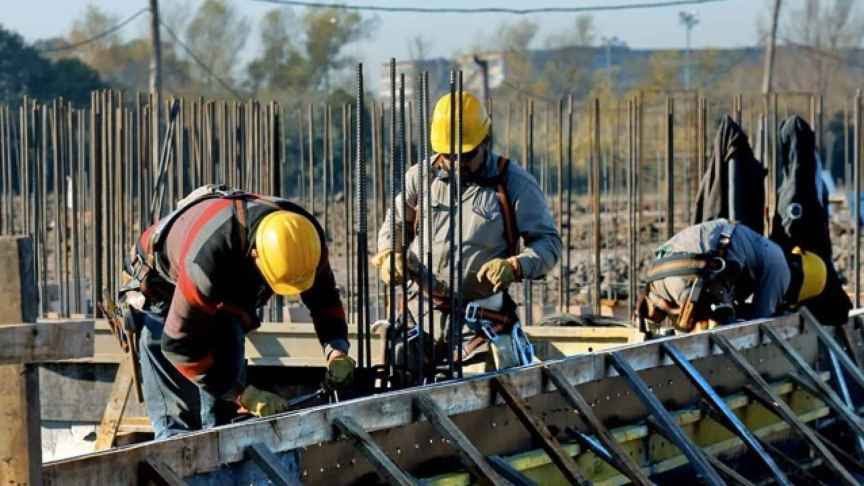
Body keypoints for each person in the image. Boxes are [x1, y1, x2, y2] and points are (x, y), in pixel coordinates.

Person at [123, 185, 354, 439]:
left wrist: (336, 351)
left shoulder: (304, 240)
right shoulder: (206, 261)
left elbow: (324, 300)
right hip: (161, 285)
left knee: (224, 418)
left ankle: (224, 444)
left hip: (224, 280)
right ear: (256, 255)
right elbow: (178, 344)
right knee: (179, 426)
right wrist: (243, 395)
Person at [372, 92, 561, 374]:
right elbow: (396, 223)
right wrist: (389, 254)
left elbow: (548, 243)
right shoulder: (420, 177)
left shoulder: (514, 183)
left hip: (480, 320)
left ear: (485, 141)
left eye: (467, 155)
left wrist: (517, 265)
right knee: (400, 380)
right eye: (449, 155)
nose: (456, 162)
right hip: (419, 314)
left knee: (481, 395)